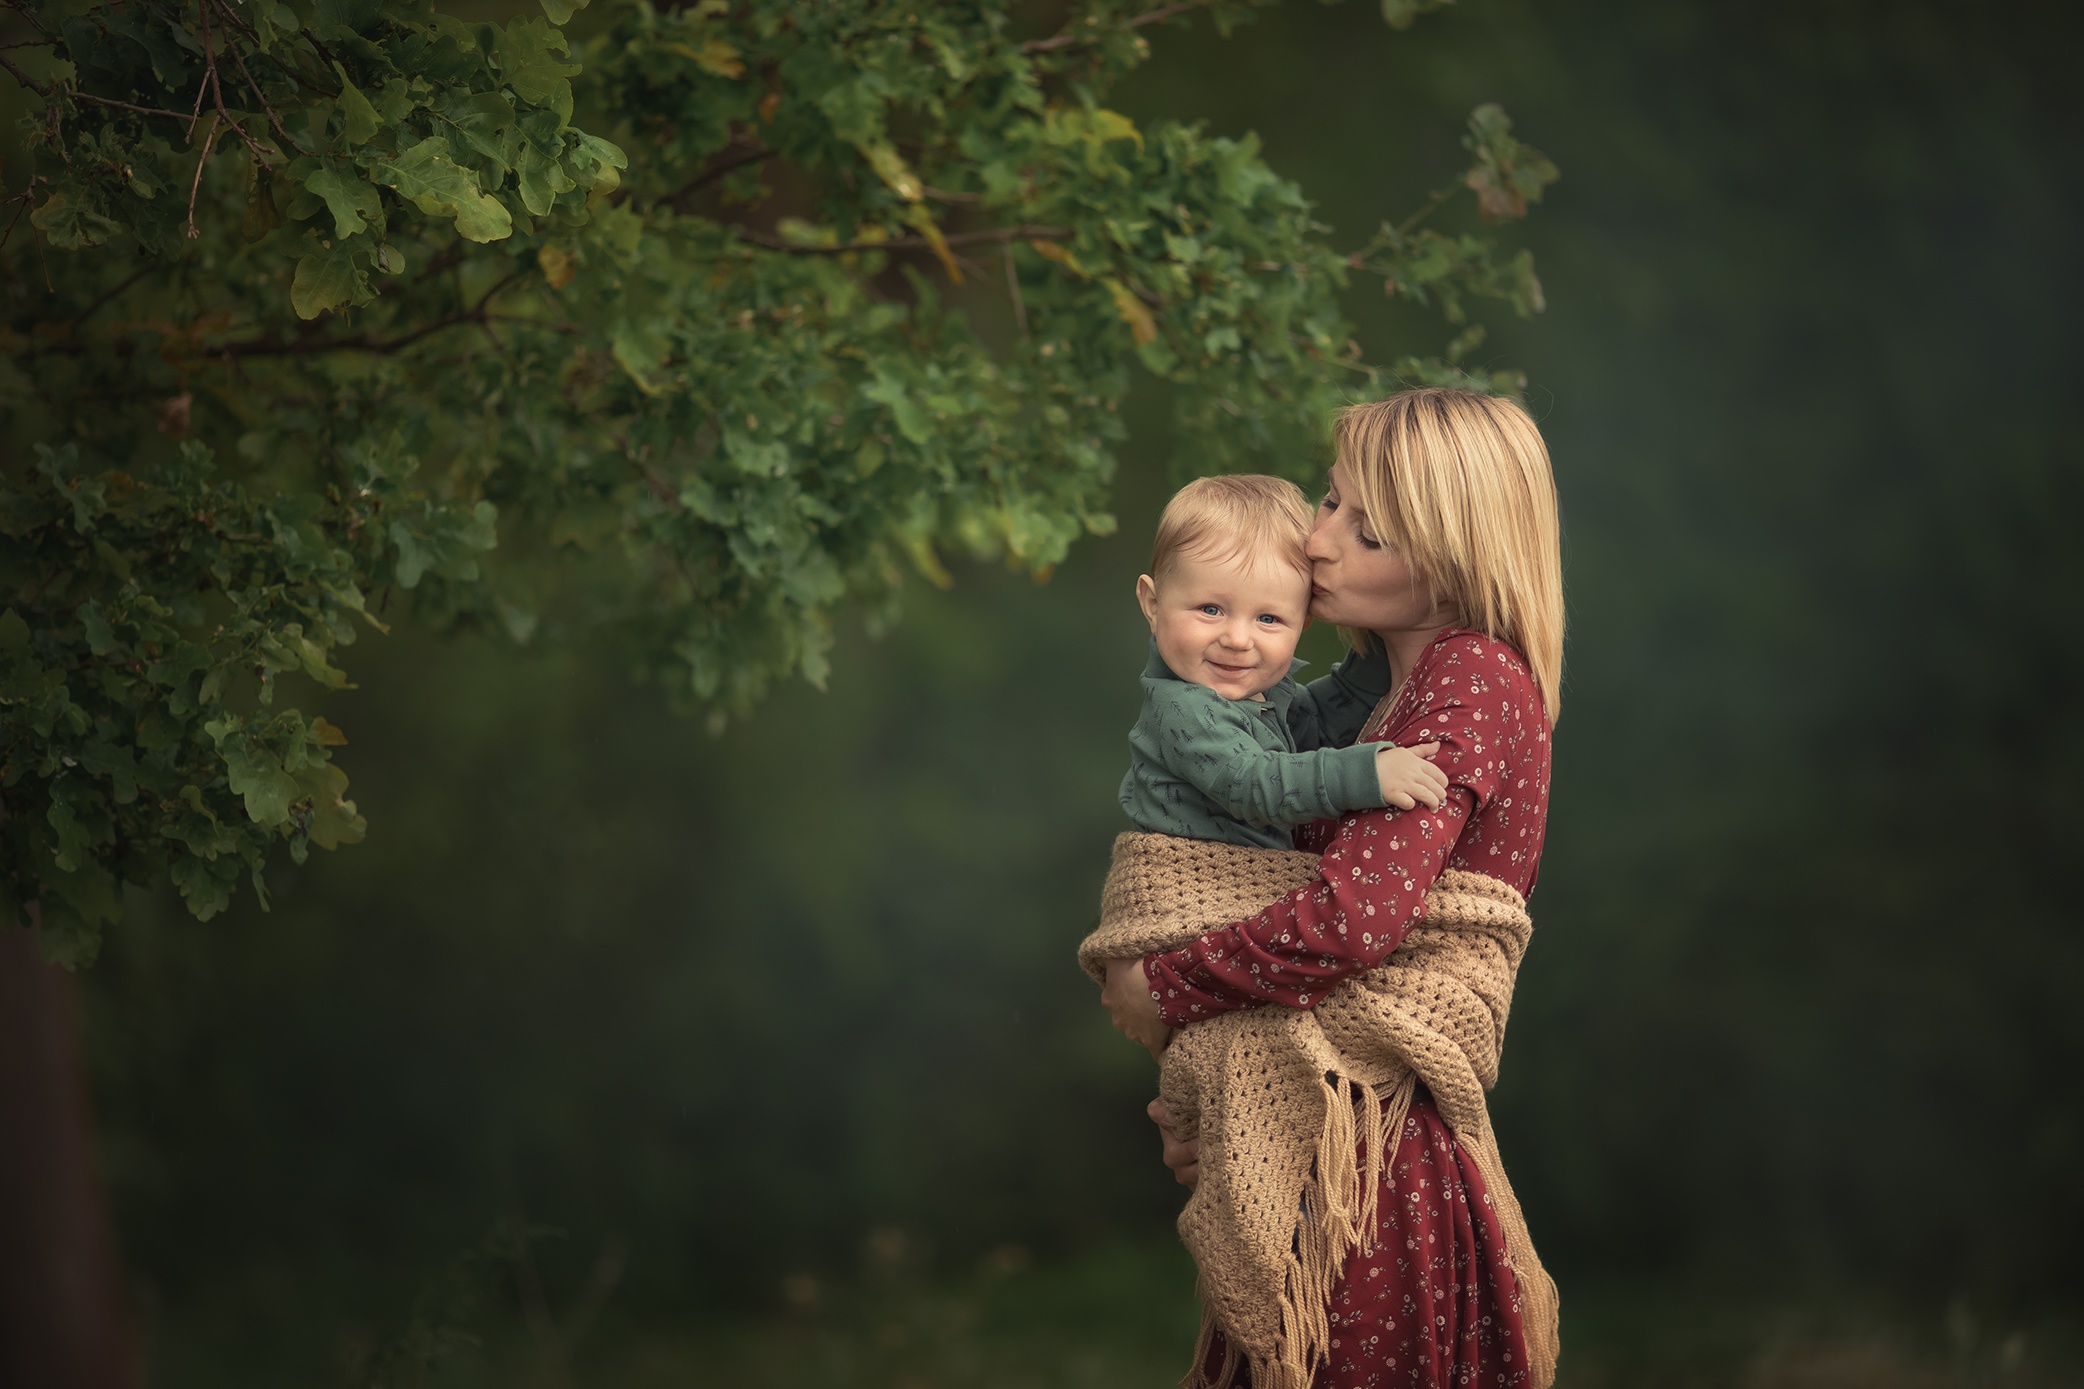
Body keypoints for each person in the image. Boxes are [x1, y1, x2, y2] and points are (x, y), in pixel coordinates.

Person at [1098, 387, 1566, 1389]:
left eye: (1368, 530)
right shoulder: (1369, 687)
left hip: (1378, 1151)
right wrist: (1223, 1092)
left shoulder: (1470, 676)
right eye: (1327, 501)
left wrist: (1165, 987)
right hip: (1324, 1127)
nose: (1318, 542)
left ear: (1451, 553)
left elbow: (1352, 924)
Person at [1119, 472, 1450, 850]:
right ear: (1154, 604)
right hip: (1196, 894)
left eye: (1268, 619)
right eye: (1210, 610)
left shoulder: (1257, 697)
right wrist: (1367, 774)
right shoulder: (1183, 709)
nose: (1237, 640)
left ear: (1303, 624)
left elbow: (1320, 720)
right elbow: (1254, 784)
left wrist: (1393, 632)